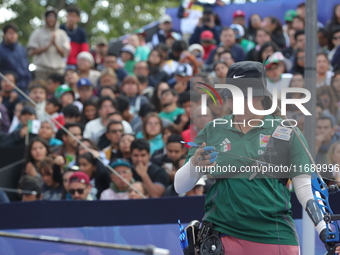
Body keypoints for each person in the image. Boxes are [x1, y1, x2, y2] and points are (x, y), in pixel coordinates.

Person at [175, 61, 329, 255]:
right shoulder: (213, 130)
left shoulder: (286, 131)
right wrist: (194, 165)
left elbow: (305, 188)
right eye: (232, 95)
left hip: (275, 238)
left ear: (260, 95)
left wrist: (325, 231)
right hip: (223, 237)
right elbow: (180, 186)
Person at [27, 7, 70, 81]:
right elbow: (31, 52)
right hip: (42, 70)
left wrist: (55, 43)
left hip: (58, 71)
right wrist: (47, 46)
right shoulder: (37, 33)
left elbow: (65, 54)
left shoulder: (62, 34)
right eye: (49, 16)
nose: (51, 19)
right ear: (45, 18)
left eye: (53, 16)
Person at [0, 23, 31, 91]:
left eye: (15, 33)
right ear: (4, 35)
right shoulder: (1, 50)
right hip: (7, 88)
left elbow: (26, 69)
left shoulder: (21, 49)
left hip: (25, 87)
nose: (13, 35)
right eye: (10, 33)